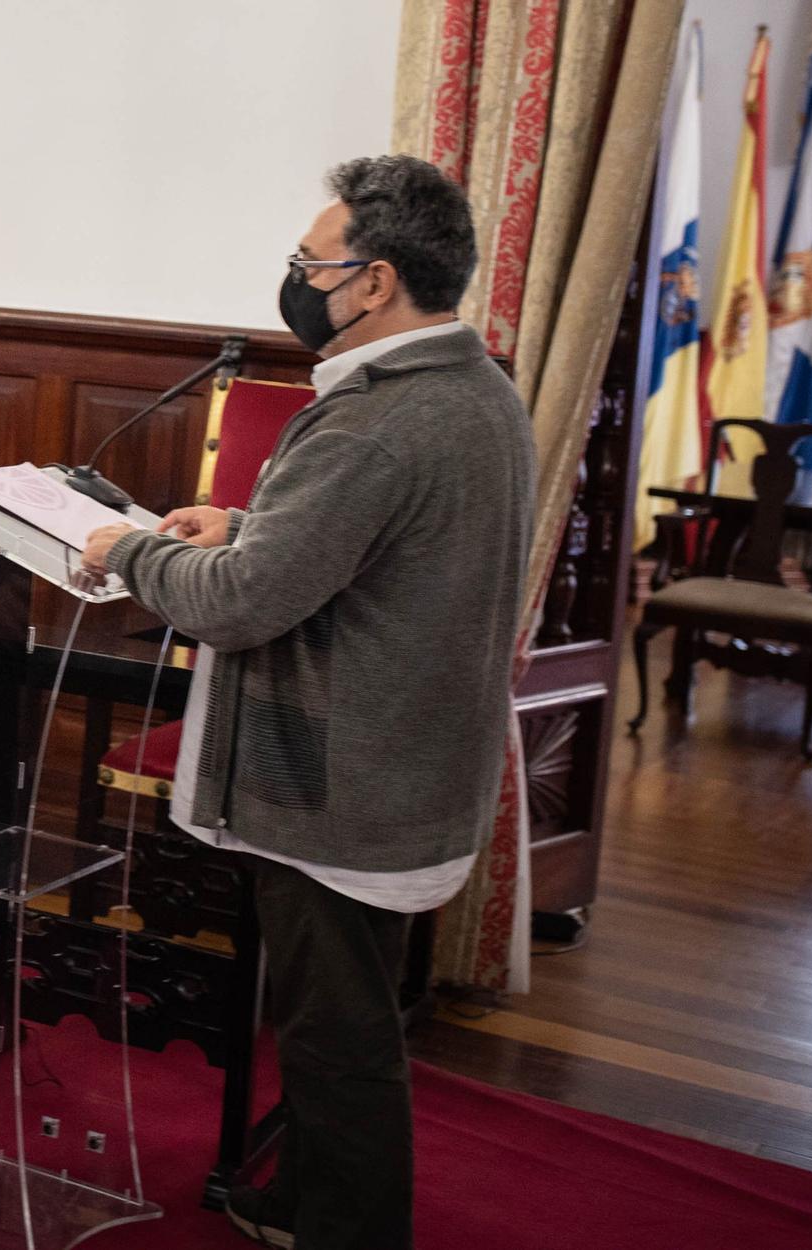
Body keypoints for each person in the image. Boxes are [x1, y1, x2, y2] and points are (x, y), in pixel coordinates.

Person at [81, 154, 533, 1250]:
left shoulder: (377, 421)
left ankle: (349, 1228)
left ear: (372, 282)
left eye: (307, 262)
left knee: (337, 1035)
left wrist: (124, 548)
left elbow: (237, 609)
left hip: (343, 780)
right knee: (336, 1011)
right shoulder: (472, 390)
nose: (292, 278)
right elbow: (393, 553)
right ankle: (299, 1200)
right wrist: (246, 523)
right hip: (407, 763)